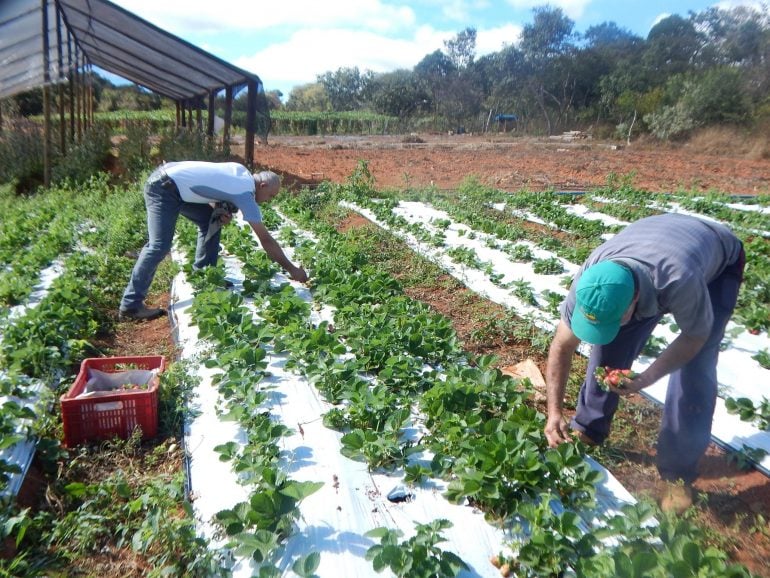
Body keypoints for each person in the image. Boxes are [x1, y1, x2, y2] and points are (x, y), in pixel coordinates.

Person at [543, 212, 745, 514]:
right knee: (609, 346)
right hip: (654, 241)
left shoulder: (680, 279)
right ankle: (588, 428)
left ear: (636, 300)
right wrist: (554, 412)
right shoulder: (590, 283)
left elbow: (693, 337)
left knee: (697, 366)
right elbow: (561, 346)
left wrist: (646, 378)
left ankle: (677, 473)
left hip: (715, 259)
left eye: (620, 315)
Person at [119, 161, 308, 320]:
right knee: (159, 245)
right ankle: (131, 305)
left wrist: (220, 209)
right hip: (164, 187)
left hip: (172, 182)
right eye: (270, 196)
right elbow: (265, 240)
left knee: (211, 220)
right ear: (263, 186)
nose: (268, 201)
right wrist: (292, 269)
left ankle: (205, 277)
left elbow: (208, 186)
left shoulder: (242, 171)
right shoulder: (245, 192)